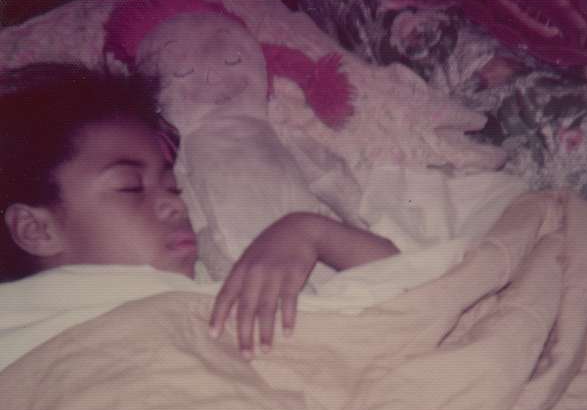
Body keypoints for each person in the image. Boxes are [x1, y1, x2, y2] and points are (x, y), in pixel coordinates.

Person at [0, 62, 398, 359]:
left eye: (173, 186)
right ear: (36, 230)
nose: (175, 202)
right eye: (130, 187)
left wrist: (311, 232)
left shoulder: (216, 303)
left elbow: (415, 302)